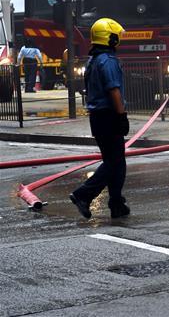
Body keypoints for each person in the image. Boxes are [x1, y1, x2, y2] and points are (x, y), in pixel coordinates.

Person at [69, 18, 130, 220]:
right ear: (110, 38)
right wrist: (121, 116)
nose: (118, 39)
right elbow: (113, 90)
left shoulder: (93, 60)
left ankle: (116, 203)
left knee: (116, 162)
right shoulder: (108, 60)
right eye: (116, 36)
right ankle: (83, 195)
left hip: (97, 118)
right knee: (114, 162)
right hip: (109, 115)